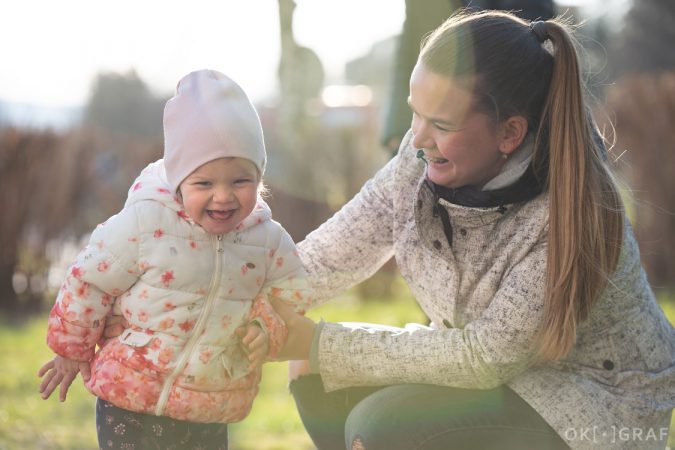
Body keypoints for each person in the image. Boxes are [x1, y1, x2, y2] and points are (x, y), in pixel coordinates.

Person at [265, 10, 674, 450]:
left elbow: (483, 357)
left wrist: (321, 343)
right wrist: (247, 302)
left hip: (593, 407)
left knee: (384, 425)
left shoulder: (569, 211)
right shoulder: (423, 155)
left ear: (510, 133)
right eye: (415, 115)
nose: (418, 139)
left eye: (441, 124)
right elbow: (342, 245)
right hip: (506, 374)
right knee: (313, 373)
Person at [38, 69, 312, 450]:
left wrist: (266, 326)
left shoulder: (267, 241)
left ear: (260, 177)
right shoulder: (146, 223)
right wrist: (70, 348)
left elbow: (292, 293)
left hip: (211, 402)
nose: (223, 197)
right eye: (204, 184)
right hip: (129, 397)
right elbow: (89, 280)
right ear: (178, 181)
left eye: (239, 181)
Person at [382, 0, 555, 154]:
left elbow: (524, 43)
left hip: (486, 110)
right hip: (431, 113)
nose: (415, 142)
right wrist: (396, 128)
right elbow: (409, 44)